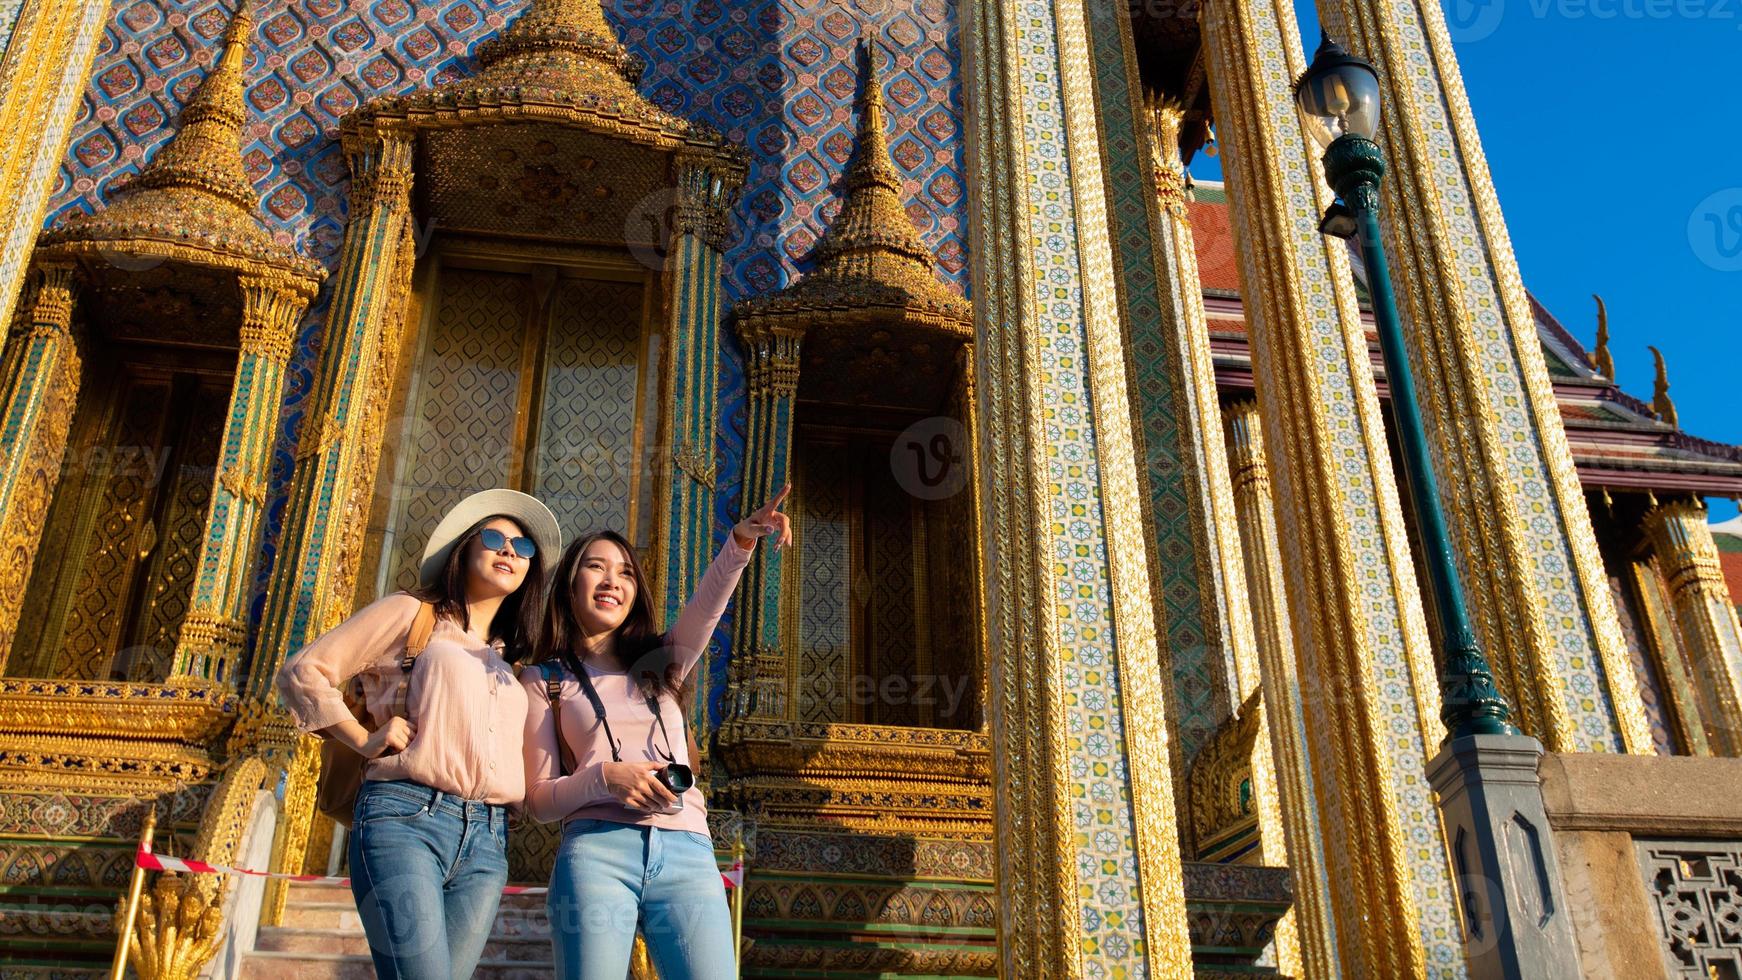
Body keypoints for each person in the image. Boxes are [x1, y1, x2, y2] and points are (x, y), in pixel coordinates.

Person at [276, 489, 560, 980]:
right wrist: (361, 739)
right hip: (404, 819)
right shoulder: (413, 614)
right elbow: (304, 672)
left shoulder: (508, 661)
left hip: (488, 843)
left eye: (524, 547)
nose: (510, 551)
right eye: (494, 538)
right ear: (465, 550)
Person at [521, 487, 793, 980]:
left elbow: (708, 607)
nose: (612, 580)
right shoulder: (545, 679)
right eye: (596, 567)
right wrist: (605, 778)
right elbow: (538, 800)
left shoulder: (663, 662)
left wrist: (741, 541)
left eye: (625, 572)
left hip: (687, 851)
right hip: (596, 853)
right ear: (569, 586)